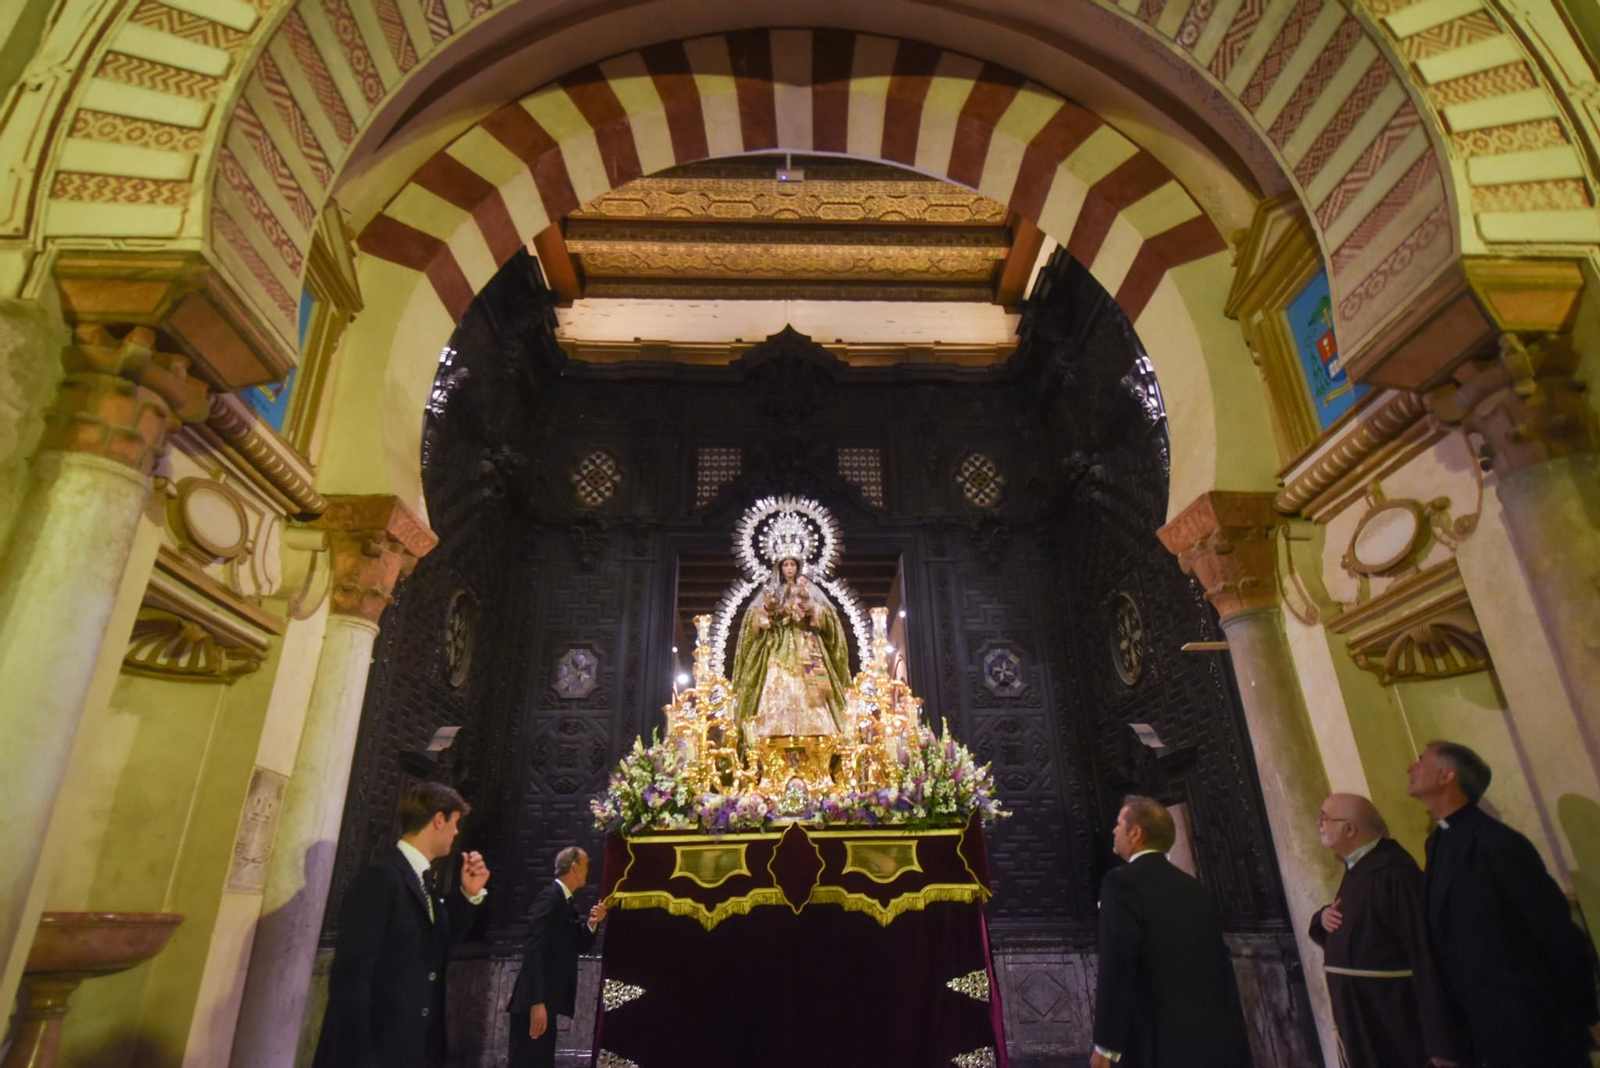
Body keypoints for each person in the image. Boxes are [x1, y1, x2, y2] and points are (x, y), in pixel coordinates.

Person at [1408, 740, 1599, 1067]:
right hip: (1484, 1029)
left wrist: (1589, 1014)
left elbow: (1556, 933)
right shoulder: (1437, 842)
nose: (1410, 767)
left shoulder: (1498, 843)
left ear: (1447, 776)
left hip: (1533, 1026)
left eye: (1421, 761)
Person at [312, 782, 490, 1068]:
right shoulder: (381, 879)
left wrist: (469, 895)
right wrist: (361, 1058)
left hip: (413, 1048)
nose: (456, 833)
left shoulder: (424, 882)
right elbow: (352, 980)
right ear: (438, 820)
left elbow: (437, 950)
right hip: (379, 1050)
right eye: (455, 823)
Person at [1090, 795, 1249, 1068]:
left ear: (1136, 833)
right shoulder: (1195, 888)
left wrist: (1106, 1045)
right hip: (1210, 1039)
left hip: (1154, 1037)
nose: (1114, 831)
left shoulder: (1120, 883)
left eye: (1119, 824)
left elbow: (1118, 965)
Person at [1309, 792, 1461, 1067]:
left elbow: (1425, 951)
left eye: (1325, 818)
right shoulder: (1360, 868)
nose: (1319, 824)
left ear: (1349, 828)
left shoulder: (1394, 873)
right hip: (1364, 1018)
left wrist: (1442, 1041)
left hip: (1393, 1023)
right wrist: (1322, 917)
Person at [507, 846, 609, 1068]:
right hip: (534, 1005)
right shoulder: (550, 899)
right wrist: (537, 1002)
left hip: (546, 1004)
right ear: (574, 867)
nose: (588, 871)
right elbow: (534, 950)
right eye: (586, 866)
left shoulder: (566, 902)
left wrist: (593, 923)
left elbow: (579, 944)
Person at [730, 553, 851, 739]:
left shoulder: (808, 590)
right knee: (776, 678)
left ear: (798, 567)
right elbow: (754, 618)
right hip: (778, 645)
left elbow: (827, 617)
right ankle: (773, 731)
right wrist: (769, 610)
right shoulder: (772, 591)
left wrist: (812, 610)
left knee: (814, 688)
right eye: (785, 565)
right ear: (779, 568)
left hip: (807, 644)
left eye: (792, 564)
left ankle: (818, 732)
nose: (789, 569)